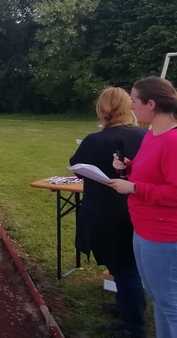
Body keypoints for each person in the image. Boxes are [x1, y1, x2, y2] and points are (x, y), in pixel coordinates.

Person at [70, 87, 147, 338]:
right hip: (136, 208)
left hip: (106, 212)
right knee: (126, 265)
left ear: (102, 109)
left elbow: (76, 166)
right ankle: (126, 306)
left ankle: (133, 327)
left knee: (124, 268)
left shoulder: (95, 140)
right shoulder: (144, 135)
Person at [108, 76, 177, 338]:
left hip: (164, 235)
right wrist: (128, 168)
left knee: (169, 304)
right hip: (144, 229)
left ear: (151, 104)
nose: (130, 106)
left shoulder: (173, 141)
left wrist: (134, 188)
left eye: (134, 101)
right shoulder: (151, 135)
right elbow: (151, 175)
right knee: (159, 299)